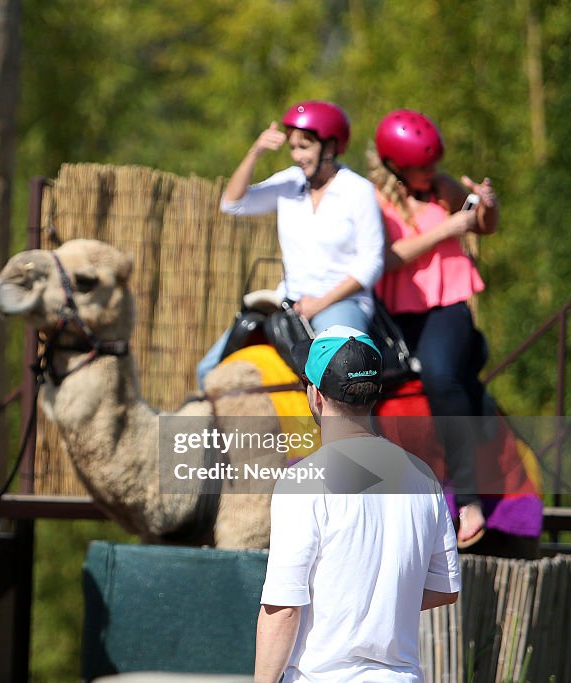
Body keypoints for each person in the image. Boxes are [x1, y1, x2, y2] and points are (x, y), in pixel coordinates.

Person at [254, 325, 461, 682]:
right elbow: (445, 588)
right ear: (374, 393)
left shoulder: (303, 481)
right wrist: (377, 604)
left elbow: (283, 610)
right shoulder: (424, 477)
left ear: (315, 395)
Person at [369, 109, 498, 546]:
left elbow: (482, 225)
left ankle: (469, 498)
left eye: (432, 164)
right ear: (394, 166)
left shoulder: (442, 188)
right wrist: (451, 226)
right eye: (420, 167)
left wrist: (485, 208)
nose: (430, 172)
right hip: (398, 310)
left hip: (446, 304)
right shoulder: (376, 200)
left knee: (440, 376)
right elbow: (388, 257)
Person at [196, 101, 384, 386]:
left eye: (305, 146)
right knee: (206, 373)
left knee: (348, 377)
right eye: (293, 147)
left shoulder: (358, 190)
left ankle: (360, 431)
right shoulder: (289, 183)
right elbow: (232, 204)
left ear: (331, 146)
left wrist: (320, 303)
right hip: (287, 299)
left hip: (340, 301)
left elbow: (372, 263)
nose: (297, 155)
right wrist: (255, 151)